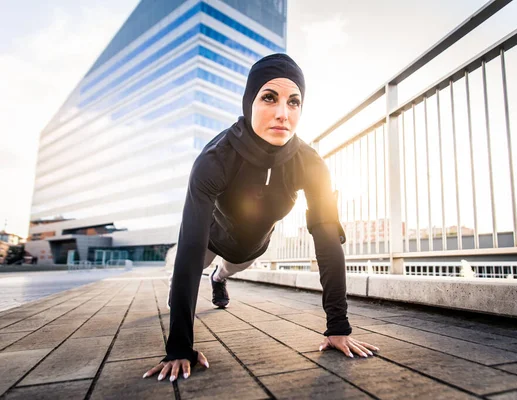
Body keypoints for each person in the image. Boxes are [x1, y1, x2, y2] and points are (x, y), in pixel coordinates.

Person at [143, 53, 379, 382]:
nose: (283, 113)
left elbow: (327, 241)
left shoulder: (309, 164)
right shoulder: (215, 159)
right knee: (187, 276)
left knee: (229, 267)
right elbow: (190, 242)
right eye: (269, 98)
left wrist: (337, 328)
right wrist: (180, 346)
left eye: (294, 102)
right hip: (210, 239)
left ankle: (219, 279)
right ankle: (189, 288)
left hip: (253, 248)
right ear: (249, 102)